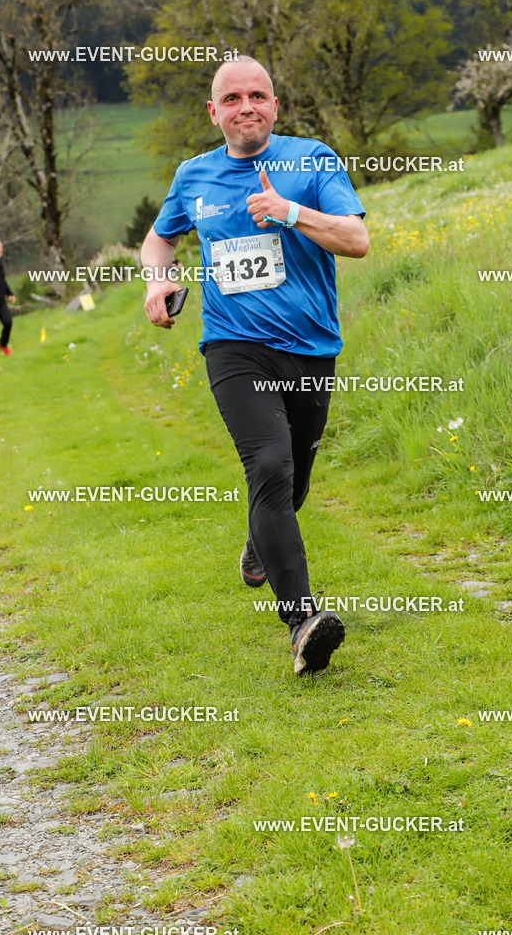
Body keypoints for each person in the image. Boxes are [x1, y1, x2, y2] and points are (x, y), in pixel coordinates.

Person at [141, 56, 369, 676]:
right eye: (234, 98)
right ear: (214, 112)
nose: (248, 106)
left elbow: (356, 239)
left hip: (311, 348)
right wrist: (158, 282)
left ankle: (257, 543)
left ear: (275, 104)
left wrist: (290, 213)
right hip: (234, 346)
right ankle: (303, 623)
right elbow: (159, 238)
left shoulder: (313, 160)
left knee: (292, 483)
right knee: (268, 464)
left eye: (259, 95)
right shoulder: (193, 176)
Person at [0, 238, 15, 356]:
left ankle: (3, 345)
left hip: (0, 302)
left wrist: (10, 293)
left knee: (8, 322)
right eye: (0, 248)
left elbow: (2, 281)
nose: (1, 251)